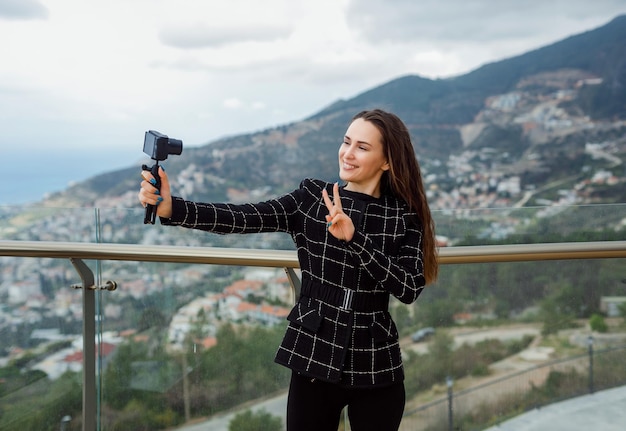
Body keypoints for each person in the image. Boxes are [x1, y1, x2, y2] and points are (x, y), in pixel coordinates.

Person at [138, 109, 438, 431]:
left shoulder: (403, 217)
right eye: (346, 142)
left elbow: (408, 288)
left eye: (362, 147)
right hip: (313, 352)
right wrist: (174, 208)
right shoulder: (311, 198)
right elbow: (244, 217)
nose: (348, 154)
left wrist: (355, 239)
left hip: (377, 361)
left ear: (387, 161)